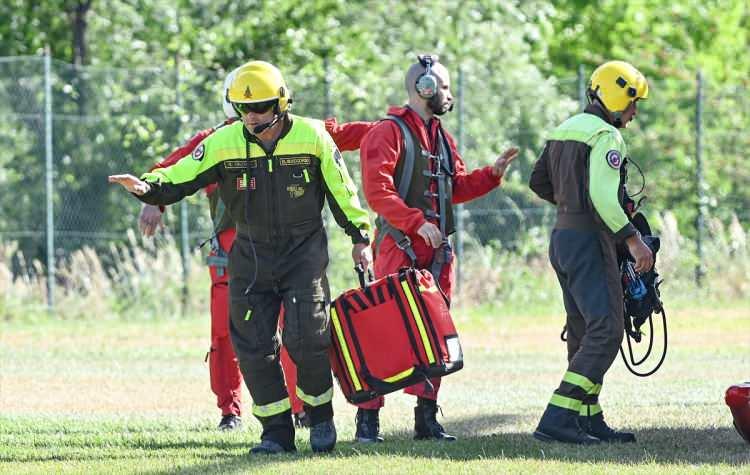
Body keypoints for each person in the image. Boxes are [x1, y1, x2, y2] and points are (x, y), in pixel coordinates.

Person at [110, 60, 372, 454]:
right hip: (249, 255)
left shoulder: (313, 136)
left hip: (303, 254)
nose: (251, 115)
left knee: (308, 338)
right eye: (243, 108)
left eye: (260, 107)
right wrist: (148, 187)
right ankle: (275, 433)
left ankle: (321, 418)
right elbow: (181, 173)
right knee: (252, 345)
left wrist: (360, 236)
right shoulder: (223, 141)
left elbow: (343, 190)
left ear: (281, 103)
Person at [358, 54, 519, 443]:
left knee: (435, 334)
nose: (448, 95)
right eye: (443, 87)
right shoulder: (388, 132)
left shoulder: (441, 137)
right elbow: (378, 192)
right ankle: (368, 424)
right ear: (423, 88)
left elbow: (455, 187)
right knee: (384, 333)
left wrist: (491, 175)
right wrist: (416, 223)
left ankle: (426, 421)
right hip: (399, 249)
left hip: (437, 256)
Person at [528, 60, 653, 444]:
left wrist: (570, 205)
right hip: (588, 241)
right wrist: (633, 239)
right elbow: (602, 195)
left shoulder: (565, 129)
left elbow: (538, 181)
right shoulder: (606, 137)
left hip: (562, 238)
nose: (633, 113)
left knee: (583, 329)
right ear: (617, 97)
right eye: (632, 104)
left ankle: (587, 415)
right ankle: (559, 415)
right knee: (608, 329)